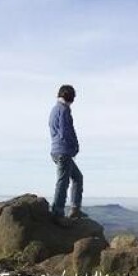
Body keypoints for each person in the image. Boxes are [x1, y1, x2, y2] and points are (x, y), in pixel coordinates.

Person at [49, 85, 87, 221]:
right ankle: (58, 212)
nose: (73, 101)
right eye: (73, 97)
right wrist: (73, 147)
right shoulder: (64, 109)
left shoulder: (54, 110)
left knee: (77, 178)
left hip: (56, 150)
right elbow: (65, 132)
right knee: (63, 182)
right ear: (69, 96)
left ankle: (75, 209)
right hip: (63, 151)